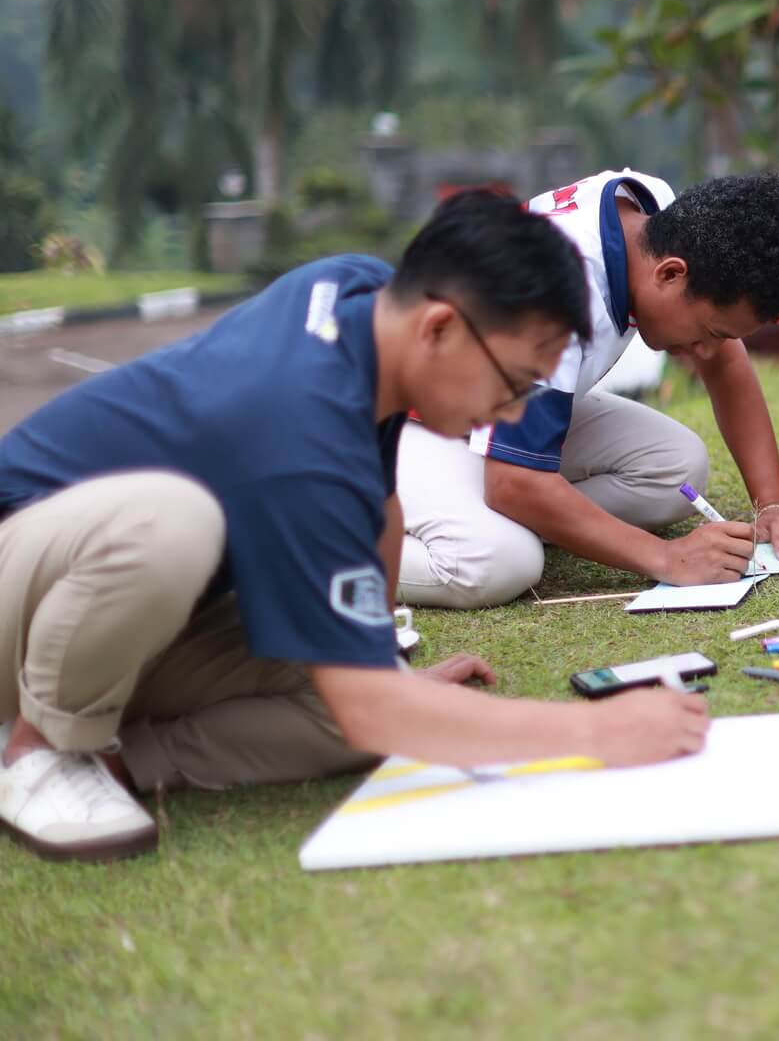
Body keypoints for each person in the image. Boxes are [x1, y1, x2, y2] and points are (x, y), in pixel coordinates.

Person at [0, 194, 710, 862]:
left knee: (372, 708)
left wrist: (386, 668)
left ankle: (124, 760)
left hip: (126, 623)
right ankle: (40, 751)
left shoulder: (360, 296)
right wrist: (597, 732)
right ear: (439, 328)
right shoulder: (296, 424)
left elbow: (382, 503)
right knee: (170, 524)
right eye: (516, 382)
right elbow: (372, 704)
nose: (515, 413)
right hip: (33, 578)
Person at [396, 170, 779, 610]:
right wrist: (666, 557)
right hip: (404, 423)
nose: (709, 350)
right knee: (499, 562)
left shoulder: (658, 218)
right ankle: (338, 541)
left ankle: (490, 513)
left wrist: (774, 507)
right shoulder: (547, 293)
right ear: (670, 274)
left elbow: (726, 362)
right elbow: (512, 485)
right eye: (710, 331)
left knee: (677, 470)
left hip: (488, 413)